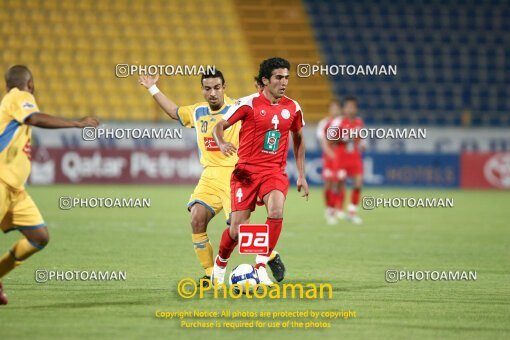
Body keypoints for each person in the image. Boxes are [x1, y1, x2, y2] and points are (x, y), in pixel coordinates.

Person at [138, 70, 285, 285]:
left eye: (217, 88)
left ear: (224, 87)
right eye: (208, 89)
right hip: (209, 177)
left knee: (239, 231)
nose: (213, 93)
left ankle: (271, 255)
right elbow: (174, 112)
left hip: (236, 175)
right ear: (202, 90)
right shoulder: (197, 112)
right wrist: (152, 87)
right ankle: (209, 273)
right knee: (196, 218)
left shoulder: (239, 107)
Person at [0, 65, 99, 305]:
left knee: (39, 236)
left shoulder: (9, 102)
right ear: (30, 84)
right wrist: (76, 124)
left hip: (15, 190)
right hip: (1, 183)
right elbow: (34, 118)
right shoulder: (19, 96)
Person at [211, 57, 309, 285]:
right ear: (265, 80)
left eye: (286, 77)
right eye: (278, 77)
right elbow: (219, 126)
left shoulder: (293, 107)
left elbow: (299, 138)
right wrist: (222, 142)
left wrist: (302, 174)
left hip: (274, 172)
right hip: (245, 173)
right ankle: (220, 264)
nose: (284, 82)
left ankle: (260, 266)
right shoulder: (248, 103)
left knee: (276, 210)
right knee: (236, 231)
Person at [337, 96, 365, 224]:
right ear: (344, 108)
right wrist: (343, 138)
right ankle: (338, 209)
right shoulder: (339, 122)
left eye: (352, 107)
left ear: (356, 108)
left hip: (355, 158)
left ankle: (352, 212)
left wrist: (363, 144)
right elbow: (331, 139)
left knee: (358, 184)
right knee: (340, 184)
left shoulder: (359, 122)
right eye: (348, 106)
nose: (350, 109)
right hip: (342, 158)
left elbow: (362, 139)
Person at [317, 100, 343, 224]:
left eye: (336, 108)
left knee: (338, 183)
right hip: (329, 158)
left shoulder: (343, 122)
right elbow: (323, 142)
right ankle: (329, 208)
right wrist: (331, 154)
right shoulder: (324, 123)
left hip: (341, 158)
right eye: (332, 108)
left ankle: (336, 209)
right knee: (329, 184)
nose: (334, 110)